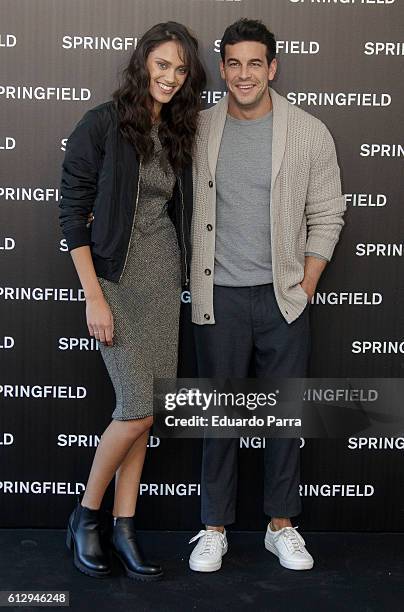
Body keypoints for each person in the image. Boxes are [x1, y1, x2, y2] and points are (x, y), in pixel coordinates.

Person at [188, 18, 345, 572]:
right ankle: (213, 528)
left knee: (284, 417)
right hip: (218, 297)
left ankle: (282, 526)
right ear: (223, 67)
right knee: (219, 419)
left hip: (282, 299)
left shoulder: (308, 131)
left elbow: (328, 214)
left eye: (256, 63)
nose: (244, 73)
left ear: (273, 68)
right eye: (234, 63)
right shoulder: (198, 128)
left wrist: (304, 284)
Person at [59, 21, 206, 580]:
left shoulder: (173, 130)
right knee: (135, 409)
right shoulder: (101, 123)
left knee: (145, 418)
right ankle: (87, 516)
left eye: (180, 69)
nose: (169, 77)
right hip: (116, 282)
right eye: (161, 64)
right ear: (143, 61)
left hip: (163, 281)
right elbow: (72, 213)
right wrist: (93, 295)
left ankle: (125, 528)